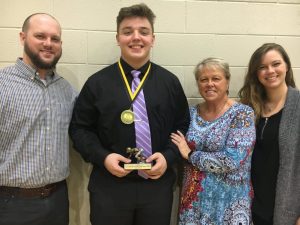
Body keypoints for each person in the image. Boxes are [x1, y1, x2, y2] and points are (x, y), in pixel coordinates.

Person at [69, 3, 190, 225]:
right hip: (109, 187)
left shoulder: (170, 83)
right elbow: (79, 129)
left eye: (143, 32)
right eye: (127, 32)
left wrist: (168, 156)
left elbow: (183, 125)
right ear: (118, 38)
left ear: (153, 38)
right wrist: (103, 157)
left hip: (157, 186)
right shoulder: (97, 83)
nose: (136, 37)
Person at [0, 13, 76, 225]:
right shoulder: (2, 85)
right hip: (11, 204)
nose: (48, 44)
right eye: (40, 36)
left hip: (58, 200)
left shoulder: (67, 90)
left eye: (55, 38)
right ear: (23, 37)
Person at [171, 58, 256, 225]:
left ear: (227, 81)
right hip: (193, 205)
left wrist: (190, 155)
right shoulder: (190, 113)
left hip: (228, 204)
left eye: (216, 78)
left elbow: (232, 159)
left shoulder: (242, 114)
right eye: (203, 79)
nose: (209, 84)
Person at [239, 43, 300, 225]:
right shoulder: (248, 108)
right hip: (250, 207)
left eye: (276, 64)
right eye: (263, 67)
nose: (270, 71)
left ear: (286, 66)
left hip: (287, 209)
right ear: (256, 73)